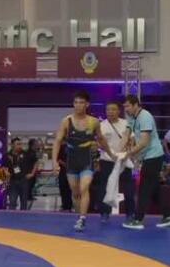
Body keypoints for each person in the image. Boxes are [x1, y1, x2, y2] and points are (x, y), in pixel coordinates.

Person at [122, 95, 170, 229]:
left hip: (154, 156)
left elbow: (144, 142)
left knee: (144, 189)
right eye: (124, 106)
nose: (126, 109)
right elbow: (126, 134)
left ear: (136, 105)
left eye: (128, 106)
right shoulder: (131, 117)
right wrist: (118, 151)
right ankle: (168, 215)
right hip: (146, 157)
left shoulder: (145, 117)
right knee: (154, 189)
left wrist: (129, 153)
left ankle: (138, 219)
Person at [51, 92, 100, 232]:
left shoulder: (94, 122)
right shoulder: (66, 121)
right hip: (71, 161)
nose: (78, 105)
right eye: (76, 102)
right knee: (76, 192)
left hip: (86, 159)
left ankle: (82, 218)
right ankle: (79, 215)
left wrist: (110, 153)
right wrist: (54, 161)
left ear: (87, 104)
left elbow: (101, 139)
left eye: (81, 102)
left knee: (84, 188)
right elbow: (57, 141)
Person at [96, 101, 131, 222]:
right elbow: (99, 143)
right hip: (107, 160)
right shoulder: (101, 125)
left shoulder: (126, 123)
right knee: (104, 187)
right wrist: (111, 154)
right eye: (108, 110)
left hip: (124, 160)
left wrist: (127, 154)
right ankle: (104, 213)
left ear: (119, 111)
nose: (110, 112)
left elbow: (131, 140)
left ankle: (130, 214)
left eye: (113, 109)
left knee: (128, 187)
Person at [5, 138, 35, 211]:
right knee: (12, 201)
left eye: (20, 144)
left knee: (24, 202)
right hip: (13, 180)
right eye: (18, 144)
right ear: (12, 145)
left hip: (24, 180)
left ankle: (23, 216)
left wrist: (32, 173)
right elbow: (4, 166)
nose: (20, 146)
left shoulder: (26, 154)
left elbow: (36, 162)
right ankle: (11, 216)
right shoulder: (7, 155)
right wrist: (6, 172)